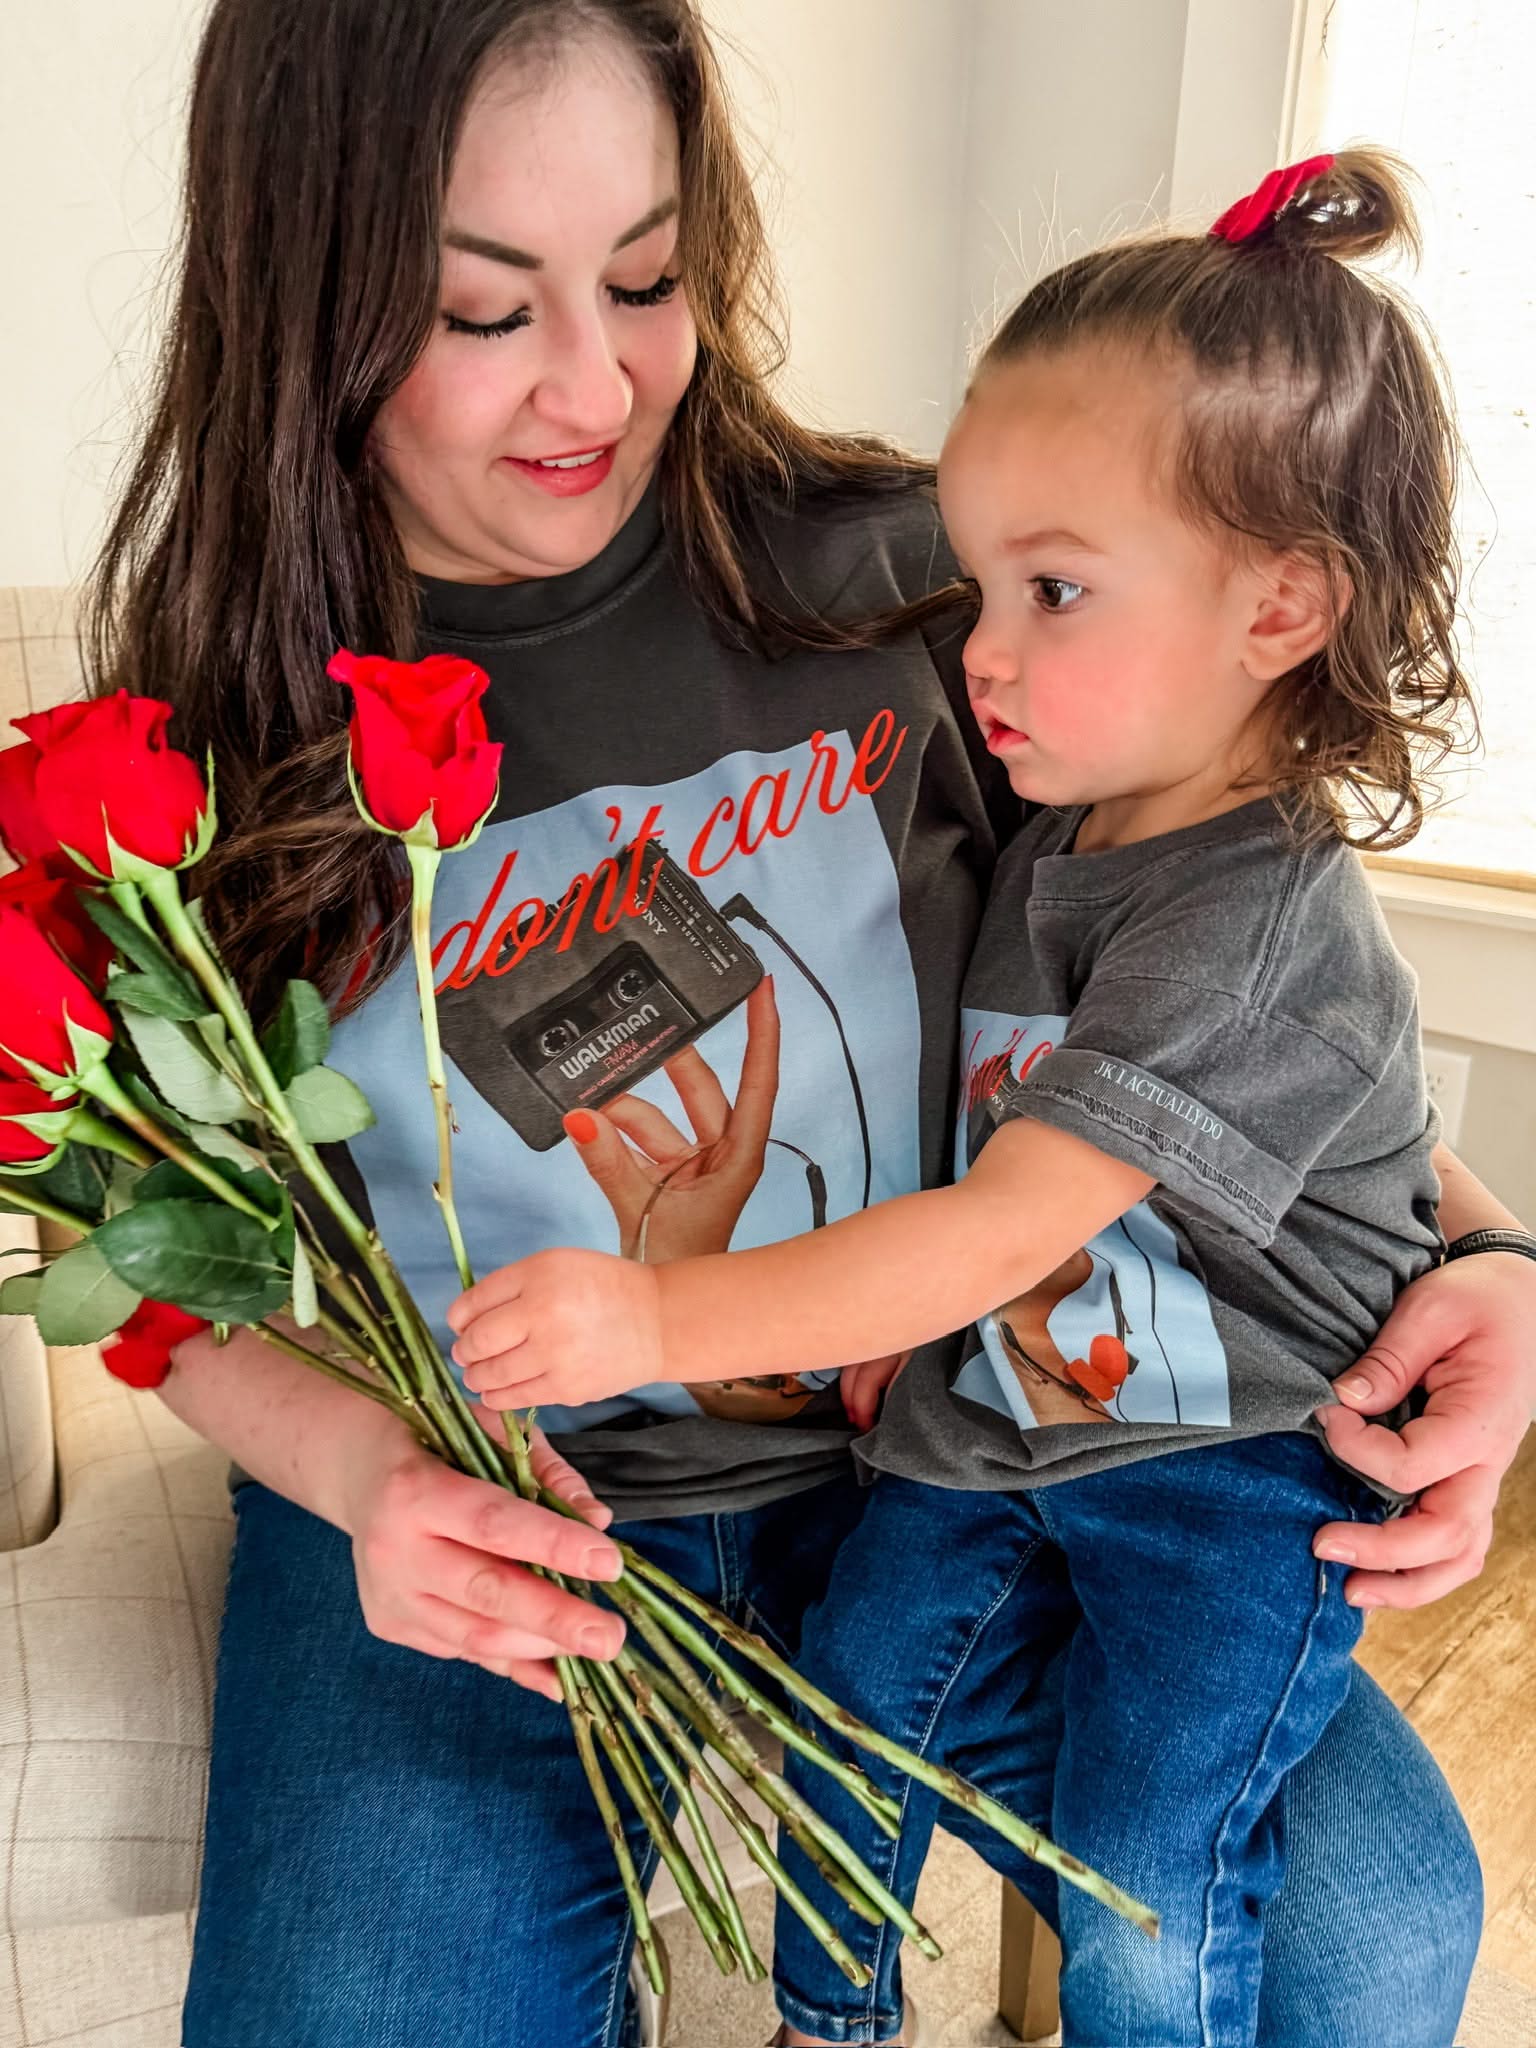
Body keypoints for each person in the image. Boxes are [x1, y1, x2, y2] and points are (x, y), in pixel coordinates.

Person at [75, 0, 1528, 2038]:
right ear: (303, 300)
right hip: (493, 1500)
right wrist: (362, 1478)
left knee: (1368, 1929)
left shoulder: (945, 589)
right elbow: (148, 1248)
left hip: (967, 1453)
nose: (596, 384)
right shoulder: (198, 743)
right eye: (484, 312)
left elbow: (1206, 991)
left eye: (646, 278)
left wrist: (1490, 1255)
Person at [446, 146, 1523, 2047]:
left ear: (1281, 607)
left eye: (1054, 591)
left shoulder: (1255, 915)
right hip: (1000, 1420)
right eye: (979, 581)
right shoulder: (1066, 824)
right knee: (851, 1710)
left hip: (1229, 1473)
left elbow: (1012, 1216)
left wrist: (660, 1314)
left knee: (1151, 1879)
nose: (985, 653)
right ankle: (832, 2021)